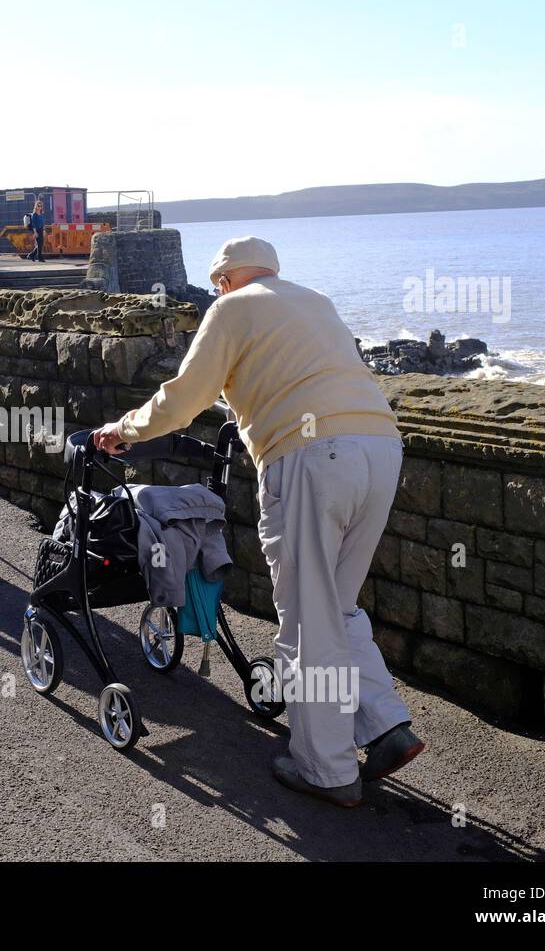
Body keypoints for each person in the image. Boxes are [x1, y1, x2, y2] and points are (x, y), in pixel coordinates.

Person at [92, 236, 424, 808]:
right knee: (336, 606)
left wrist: (123, 430)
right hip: (380, 448)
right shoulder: (313, 300)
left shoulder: (230, 308)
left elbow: (184, 397)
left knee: (306, 618)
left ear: (223, 280)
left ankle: (328, 769)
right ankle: (386, 727)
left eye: (218, 284)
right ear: (273, 269)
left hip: (313, 458)